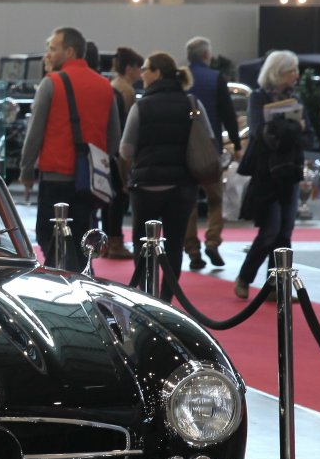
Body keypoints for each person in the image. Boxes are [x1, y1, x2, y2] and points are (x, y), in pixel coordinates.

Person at [18, 27, 119, 272]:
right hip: (89, 182)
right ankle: (81, 279)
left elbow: (34, 133)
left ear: (70, 51)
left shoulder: (51, 83)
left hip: (55, 177)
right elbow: (114, 137)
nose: (48, 54)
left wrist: (27, 171)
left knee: (48, 236)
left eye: (53, 49)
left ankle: (59, 279)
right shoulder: (105, 86)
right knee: (83, 239)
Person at [119, 52, 214, 298]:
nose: (142, 73)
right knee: (174, 244)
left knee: (143, 243)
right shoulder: (192, 103)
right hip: (182, 186)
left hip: (146, 185)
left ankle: (146, 295)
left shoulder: (141, 106)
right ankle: (166, 298)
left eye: (146, 69)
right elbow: (209, 138)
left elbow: (125, 150)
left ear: (157, 73)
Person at [233, 51, 310, 299]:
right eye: (291, 71)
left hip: (291, 171)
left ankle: (275, 286)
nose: (296, 75)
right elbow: (260, 132)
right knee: (270, 232)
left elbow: (308, 134)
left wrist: (283, 130)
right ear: (277, 73)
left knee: (285, 232)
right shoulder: (258, 97)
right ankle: (245, 277)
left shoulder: (295, 98)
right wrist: (293, 128)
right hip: (267, 174)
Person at [181, 36, 242, 271]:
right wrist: (236, 144)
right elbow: (228, 114)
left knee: (189, 203)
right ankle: (213, 240)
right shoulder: (216, 78)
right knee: (216, 199)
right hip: (210, 150)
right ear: (207, 55)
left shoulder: (181, 78)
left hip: (184, 151)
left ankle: (192, 250)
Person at [99, 47, 145, 260]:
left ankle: (108, 241)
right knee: (119, 196)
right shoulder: (126, 91)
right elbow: (128, 127)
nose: (141, 72)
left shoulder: (112, 85)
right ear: (130, 68)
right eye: (139, 68)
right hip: (119, 151)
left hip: (107, 149)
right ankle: (115, 242)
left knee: (109, 197)